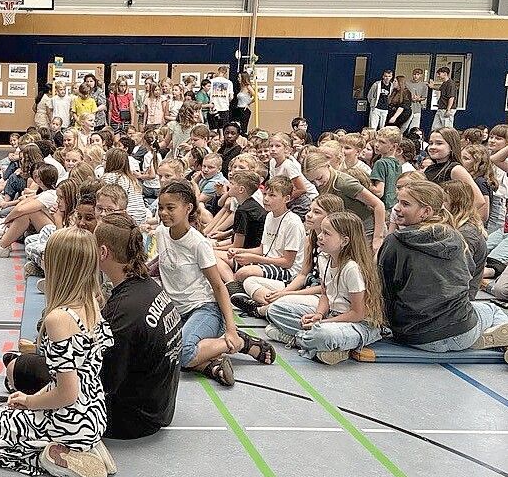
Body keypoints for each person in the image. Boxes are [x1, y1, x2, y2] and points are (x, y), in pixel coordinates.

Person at [0, 227, 114, 477]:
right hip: (93, 411)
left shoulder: (59, 319)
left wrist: (30, 401)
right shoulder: (93, 301)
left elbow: (67, 393)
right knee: (2, 410)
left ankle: (56, 454)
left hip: (70, 417)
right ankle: (86, 445)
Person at [153, 180, 275, 386]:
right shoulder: (160, 233)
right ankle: (211, 366)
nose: (164, 213)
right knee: (157, 353)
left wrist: (231, 328)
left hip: (204, 308)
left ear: (188, 208)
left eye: (170, 208)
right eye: (161, 208)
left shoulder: (198, 243)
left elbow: (219, 286)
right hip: (177, 311)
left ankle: (241, 341)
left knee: (182, 352)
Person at [379, 180, 508, 357]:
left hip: (414, 337)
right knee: (491, 310)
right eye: (398, 202)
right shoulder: (456, 237)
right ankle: (496, 341)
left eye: (405, 204)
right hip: (462, 331)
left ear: (426, 211)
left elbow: (382, 288)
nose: (397, 208)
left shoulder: (394, 241)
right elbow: (468, 277)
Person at [95, 214, 182, 439]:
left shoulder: (123, 309)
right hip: (159, 407)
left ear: (103, 253)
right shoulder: (148, 287)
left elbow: (103, 382)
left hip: (132, 419)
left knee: (26, 369)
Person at [265, 212, 385, 365]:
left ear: (344, 241)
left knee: (324, 335)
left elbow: (357, 313)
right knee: (275, 309)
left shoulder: (351, 268)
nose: (320, 236)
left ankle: (297, 340)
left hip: (358, 324)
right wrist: (319, 315)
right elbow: (325, 294)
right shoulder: (324, 259)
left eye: (327, 233)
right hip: (333, 316)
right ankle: (324, 347)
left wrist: (326, 322)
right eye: (321, 231)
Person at [301, 151, 386, 251]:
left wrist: (377, 238)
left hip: (367, 226)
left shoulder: (344, 184)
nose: (318, 183)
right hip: (347, 228)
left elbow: (378, 205)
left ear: (327, 165)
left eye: (319, 178)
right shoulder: (323, 183)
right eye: (312, 181)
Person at [423, 127, 486, 217]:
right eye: (431, 143)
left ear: (451, 147)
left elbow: (479, 200)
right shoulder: (430, 168)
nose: (433, 147)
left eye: (439, 143)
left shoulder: (455, 169)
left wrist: (453, 219)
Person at [441, 180, 487, 299]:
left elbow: (459, 274)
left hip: (459, 298)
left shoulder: (466, 233)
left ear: (457, 203)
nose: (440, 205)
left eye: (444, 200)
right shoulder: (454, 227)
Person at [209, 66, 234, 131]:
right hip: (224, 107)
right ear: (225, 73)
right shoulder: (229, 82)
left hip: (213, 107)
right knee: (224, 128)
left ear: (218, 71)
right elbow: (231, 97)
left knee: (213, 128)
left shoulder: (211, 81)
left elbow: (208, 94)